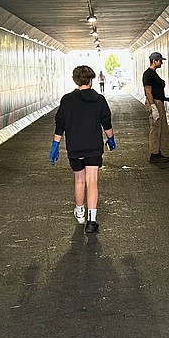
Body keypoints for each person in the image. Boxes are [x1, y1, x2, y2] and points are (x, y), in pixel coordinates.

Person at [51, 65, 115, 234]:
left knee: (79, 180)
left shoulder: (67, 100)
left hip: (75, 147)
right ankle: (92, 221)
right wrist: (111, 138)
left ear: (75, 80)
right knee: (92, 181)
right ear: (91, 80)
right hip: (93, 146)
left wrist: (55, 144)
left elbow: (60, 124)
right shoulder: (99, 100)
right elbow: (106, 123)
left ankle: (80, 211)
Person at [143, 52, 169, 163]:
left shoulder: (154, 74)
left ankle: (158, 152)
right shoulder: (148, 74)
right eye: (160, 60)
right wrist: (153, 107)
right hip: (154, 102)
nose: (161, 63)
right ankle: (154, 154)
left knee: (162, 128)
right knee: (155, 129)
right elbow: (148, 91)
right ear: (154, 61)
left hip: (159, 102)